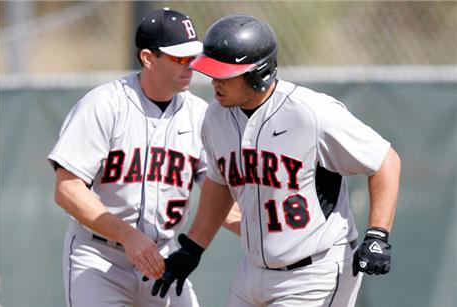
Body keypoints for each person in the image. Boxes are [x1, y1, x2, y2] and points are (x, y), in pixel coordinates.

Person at [151, 14, 402, 307]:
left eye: (224, 74)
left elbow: (385, 160)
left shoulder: (311, 113)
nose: (214, 82)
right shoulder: (215, 117)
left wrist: (378, 234)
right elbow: (219, 185)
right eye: (212, 72)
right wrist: (193, 248)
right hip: (253, 271)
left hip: (313, 272)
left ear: (260, 74)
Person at [48, 7, 209, 307]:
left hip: (163, 257)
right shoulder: (104, 105)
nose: (191, 66)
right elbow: (67, 189)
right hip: (99, 256)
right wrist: (127, 236)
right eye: (180, 58)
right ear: (148, 58)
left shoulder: (200, 115)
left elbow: (220, 198)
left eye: (194, 58)